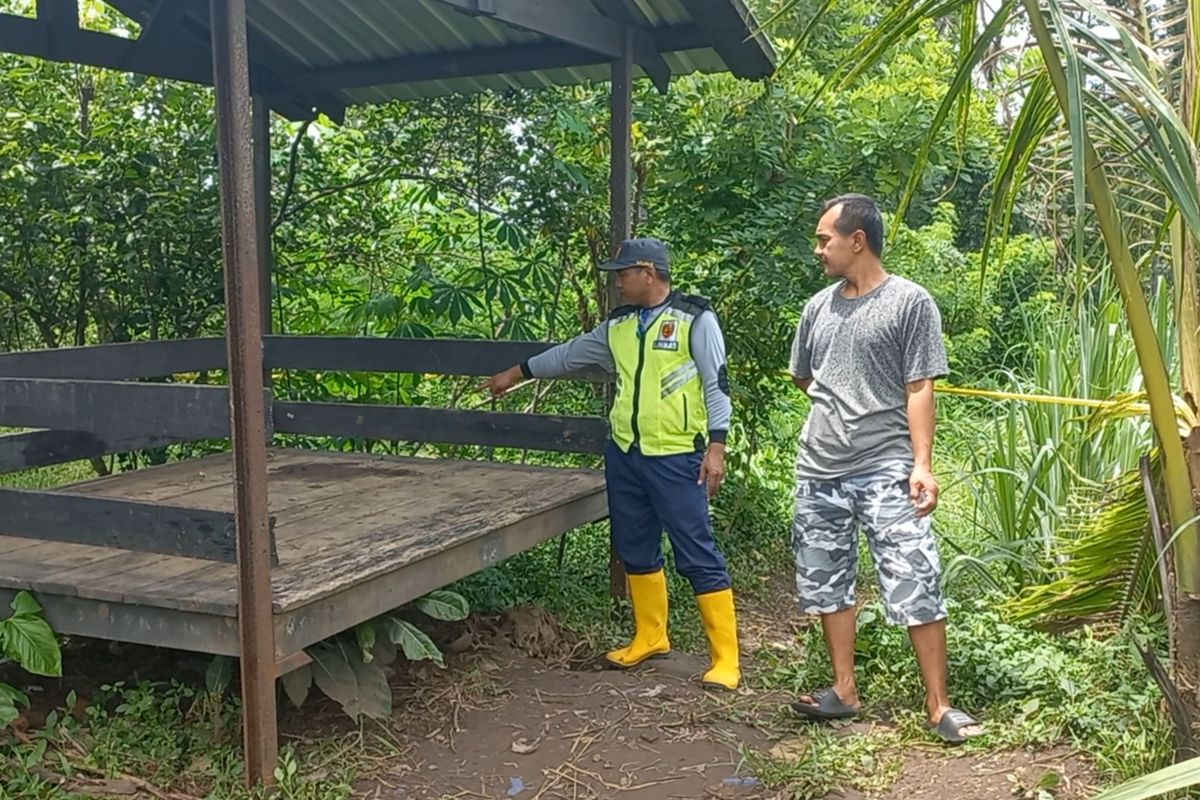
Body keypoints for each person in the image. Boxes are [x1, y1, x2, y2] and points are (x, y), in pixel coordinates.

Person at [483, 237, 740, 690]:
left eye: (622, 274)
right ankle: (650, 636)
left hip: (679, 456)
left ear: (648, 272)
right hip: (626, 454)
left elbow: (716, 386)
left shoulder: (695, 319)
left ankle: (725, 660)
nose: (616, 282)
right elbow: (569, 355)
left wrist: (716, 447)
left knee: (696, 551)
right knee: (635, 546)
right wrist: (518, 372)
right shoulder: (619, 326)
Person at [787, 194, 984, 744]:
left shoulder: (909, 303)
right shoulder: (817, 308)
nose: (818, 250)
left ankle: (939, 704)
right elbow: (805, 376)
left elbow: (920, 386)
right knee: (827, 584)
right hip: (820, 469)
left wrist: (923, 464)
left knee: (914, 576)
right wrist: (840, 406)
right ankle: (843, 691)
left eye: (825, 239)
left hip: (886, 467)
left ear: (858, 240)